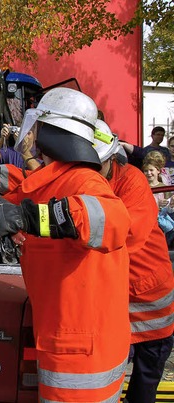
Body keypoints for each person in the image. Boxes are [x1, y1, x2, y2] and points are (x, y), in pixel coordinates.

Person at [0, 87, 131, 401]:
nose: (28, 134)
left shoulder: (84, 182)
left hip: (82, 355)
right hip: (70, 341)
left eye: (34, 127)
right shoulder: (54, 180)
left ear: (50, 132)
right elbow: (21, 193)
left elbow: (113, 220)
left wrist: (27, 218)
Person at [92, 120, 174, 403]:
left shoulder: (131, 181)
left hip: (149, 299)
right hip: (118, 299)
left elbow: (126, 234)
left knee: (143, 388)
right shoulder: (92, 178)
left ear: (111, 157)